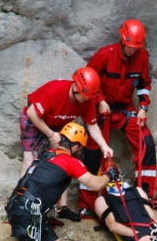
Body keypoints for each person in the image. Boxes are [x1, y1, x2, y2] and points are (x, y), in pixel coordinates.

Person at [5, 122, 120, 241]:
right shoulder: (70, 161)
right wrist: (110, 173)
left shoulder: (47, 154)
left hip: (23, 205)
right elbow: (94, 184)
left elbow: (47, 182)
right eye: (80, 149)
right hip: (29, 209)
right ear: (76, 147)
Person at [78, 18, 157, 216]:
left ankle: (147, 194)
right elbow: (88, 77)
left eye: (135, 47)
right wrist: (99, 100)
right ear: (122, 40)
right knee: (92, 151)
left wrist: (143, 108)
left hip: (124, 108)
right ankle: (87, 205)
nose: (132, 51)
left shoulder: (141, 57)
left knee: (146, 142)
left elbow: (144, 84)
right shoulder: (105, 55)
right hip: (102, 109)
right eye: (129, 46)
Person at [19, 67, 113, 221]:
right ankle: (22, 205)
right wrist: (50, 135)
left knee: (62, 163)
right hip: (34, 119)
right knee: (30, 161)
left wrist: (103, 145)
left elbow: (92, 124)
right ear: (75, 86)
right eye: (84, 96)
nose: (86, 100)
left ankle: (62, 207)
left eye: (89, 97)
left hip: (56, 124)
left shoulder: (87, 98)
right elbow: (32, 113)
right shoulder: (54, 91)